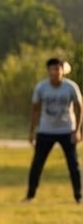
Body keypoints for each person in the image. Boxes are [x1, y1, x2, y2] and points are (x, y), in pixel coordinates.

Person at [23, 57, 82, 204]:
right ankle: (30, 195)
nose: (54, 72)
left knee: (73, 164)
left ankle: (78, 196)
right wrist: (32, 131)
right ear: (48, 71)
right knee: (37, 164)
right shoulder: (41, 88)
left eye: (57, 69)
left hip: (66, 130)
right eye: (51, 69)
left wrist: (77, 130)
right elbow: (35, 110)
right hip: (46, 130)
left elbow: (79, 107)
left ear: (63, 70)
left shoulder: (70, 87)